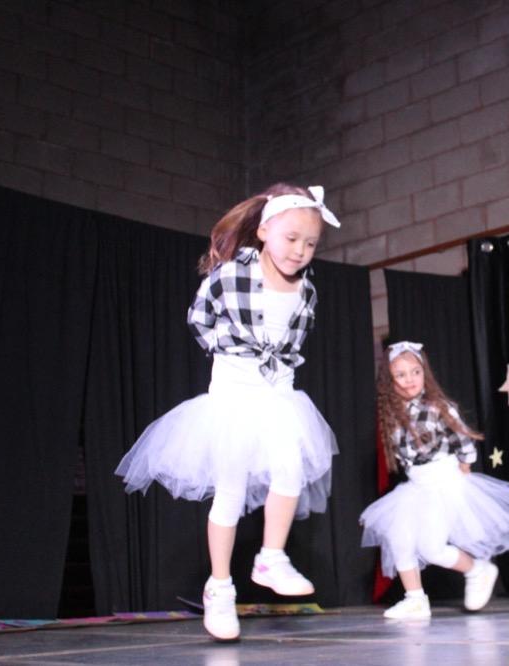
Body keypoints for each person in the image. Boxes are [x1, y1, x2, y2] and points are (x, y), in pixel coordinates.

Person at [116, 184, 340, 641]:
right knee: (231, 492)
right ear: (264, 231)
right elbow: (199, 318)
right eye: (291, 238)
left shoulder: (307, 291)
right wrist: (232, 350)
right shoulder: (231, 274)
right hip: (234, 396)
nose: (300, 250)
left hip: (279, 396)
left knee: (290, 468)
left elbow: (295, 340)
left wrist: (276, 362)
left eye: (310, 243)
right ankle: (219, 587)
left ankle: (271, 557)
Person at [360, 341, 509, 619]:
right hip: (416, 486)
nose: (410, 380)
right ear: (390, 381)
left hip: (443, 482)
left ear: (424, 373)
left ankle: (477, 570)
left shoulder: (437, 407)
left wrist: (462, 472)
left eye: (415, 372)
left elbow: (464, 441)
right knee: (400, 539)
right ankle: (415, 599)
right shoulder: (393, 414)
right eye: (401, 375)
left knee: (431, 548)